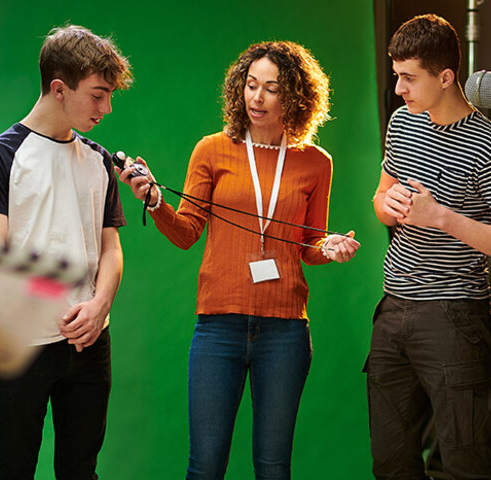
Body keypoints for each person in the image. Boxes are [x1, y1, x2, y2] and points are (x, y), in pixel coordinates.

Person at [120, 41, 359, 480]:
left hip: (285, 331)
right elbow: (187, 233)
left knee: (272, 467)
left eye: (271, 88)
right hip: (219, 328)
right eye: (251, 85)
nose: (257, 97)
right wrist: (154, 201)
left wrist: (332, 248)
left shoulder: (315, 163)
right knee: (206, 465)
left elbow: (309, 244)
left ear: (296, 97)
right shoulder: (212, 149)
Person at [368, 13, 491, 480]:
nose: (398, 89)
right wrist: (391, 203)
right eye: (396, 75)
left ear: (445, 77)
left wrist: (440, 216)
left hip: (454, 316)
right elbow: (380, 201)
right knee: (391, 462)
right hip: (393, 306)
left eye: (408, 77)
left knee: (464, 462)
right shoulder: (402, 122)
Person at [0, 24, 129, 480]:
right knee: (13, 471)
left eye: (110, 95)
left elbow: (112, 249)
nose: (106, 108)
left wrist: (98, 307)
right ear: (59, 88)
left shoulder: (99, 161)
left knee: (81, 471)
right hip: (22, 345)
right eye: (97, 95)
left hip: (92, 342)